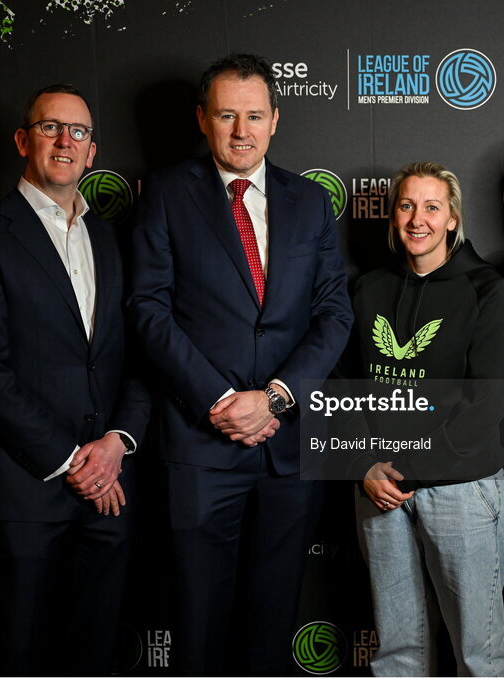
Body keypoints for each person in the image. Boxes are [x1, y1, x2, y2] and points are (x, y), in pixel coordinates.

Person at [128, 53, 352, 675]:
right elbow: (148, 311)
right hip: (200, 449)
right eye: (227, 115)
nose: (241, 131)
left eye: (254, 115)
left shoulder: (309, 202)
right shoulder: (166, 194)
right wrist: (220, 402)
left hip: (288, 450)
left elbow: (334, 314)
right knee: (198, 625)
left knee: (273, 622)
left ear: (276, 120)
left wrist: (276, 396)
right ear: (203, 119)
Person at [0, 83, 150, 675]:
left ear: (93, 152)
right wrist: (74, 462)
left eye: (79, 132)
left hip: (109, 489)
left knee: (97, 653)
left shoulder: (112, 240)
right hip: (27, 489)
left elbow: (138, 357)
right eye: (50, 128)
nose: (65, 141)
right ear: (23, 140)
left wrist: (116, 444)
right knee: (22, 653)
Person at [346, 162, 504, 676]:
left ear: (452, 219)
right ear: (392, 215)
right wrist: (363, 465)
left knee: (477, 655)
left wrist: (410, 470)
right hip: (379, 488)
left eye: (431, 207)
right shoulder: (367, 288)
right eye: (406, 205)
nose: (417, 218)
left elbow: (485, 401)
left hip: (460, 489)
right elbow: (340, 387)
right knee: (398, 653)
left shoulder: (485, 289)